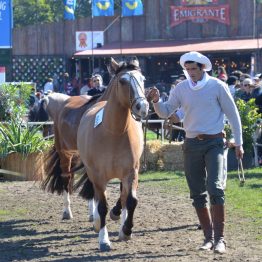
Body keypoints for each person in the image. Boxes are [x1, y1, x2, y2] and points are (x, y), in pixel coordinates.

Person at [147, 51, 244, 254]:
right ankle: (208, 238)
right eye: (188, 69)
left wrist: (240, 143)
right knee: (197, 193)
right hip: (191, 144)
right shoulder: (181, 88)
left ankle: (220, 239)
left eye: (193, 69)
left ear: (202, 68)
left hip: (215, 143)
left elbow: (233, 114)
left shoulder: (217, 86)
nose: (190, 72)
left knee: (215, 188)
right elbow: (165, 112)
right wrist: (156, 101)